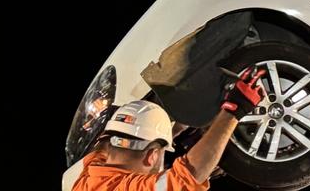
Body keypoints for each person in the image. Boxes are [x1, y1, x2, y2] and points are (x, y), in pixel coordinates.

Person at [72, 66, 268, 191]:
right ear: (152, 156)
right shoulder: (87, 175)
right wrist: (235, 108)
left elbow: (185, 177)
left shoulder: (93, 174)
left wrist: (233, 112)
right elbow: (186, 176)